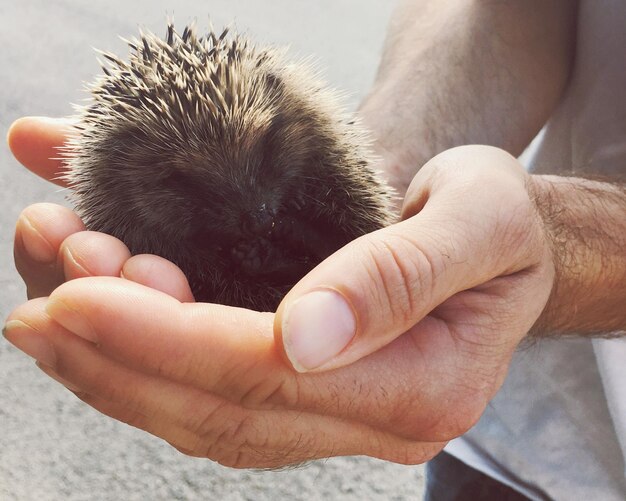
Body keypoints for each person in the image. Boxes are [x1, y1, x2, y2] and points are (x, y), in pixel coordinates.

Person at [3, 0, 625, 499]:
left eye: (266, 156)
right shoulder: (125, 180)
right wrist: (406, 190)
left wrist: (556, 251)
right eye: (190, 184)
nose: (254, 207)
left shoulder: (293, 123)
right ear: (126, 166)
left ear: (283, 116)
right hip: (510, 447)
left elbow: (342, 193)